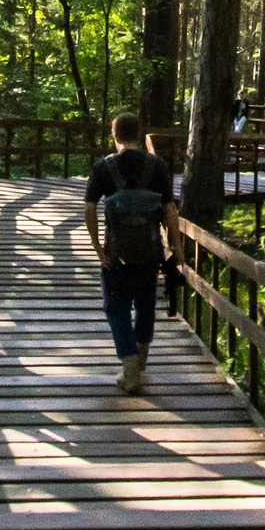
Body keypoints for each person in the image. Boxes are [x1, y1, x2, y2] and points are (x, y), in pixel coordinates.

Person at [84, 113, 175, 395]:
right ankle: (142, 354)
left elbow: (89, 208)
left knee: (116, 307)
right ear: (140, 134)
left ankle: (129, 364)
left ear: (114, 137)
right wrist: (176, 248)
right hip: (150, 252)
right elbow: (170, 210)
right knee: (146, 304)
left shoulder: (104, 167)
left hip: (116, 253)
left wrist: (98, 247)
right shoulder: (157, 165)